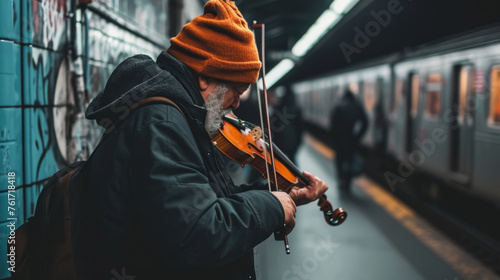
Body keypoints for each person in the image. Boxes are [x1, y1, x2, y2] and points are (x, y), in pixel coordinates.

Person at [72, 1, 328, 279]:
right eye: (237, 89)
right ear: (205, 76)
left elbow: (204, 203)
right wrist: (271, 207)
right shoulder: (163, 124)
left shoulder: (182, 116)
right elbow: (197, 235)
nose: (238, 103)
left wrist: (277, 197)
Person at [329, 89, 368, 192]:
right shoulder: (357, 107)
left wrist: (335, 139)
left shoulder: (338, 107)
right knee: (350, 161)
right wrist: (358, 136)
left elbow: (333, 125)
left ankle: (341, 179)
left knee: (340, 161)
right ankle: (348, 183)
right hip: (352, 140)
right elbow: (365, 123)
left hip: (340, 140)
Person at [270, 85, 304, 164]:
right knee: (292, 162)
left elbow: (273, 125)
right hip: (293, 142)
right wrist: (298, 143)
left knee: (280, 162)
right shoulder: (296, 108)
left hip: (281, 142)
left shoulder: (278, 108)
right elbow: (300, 128)